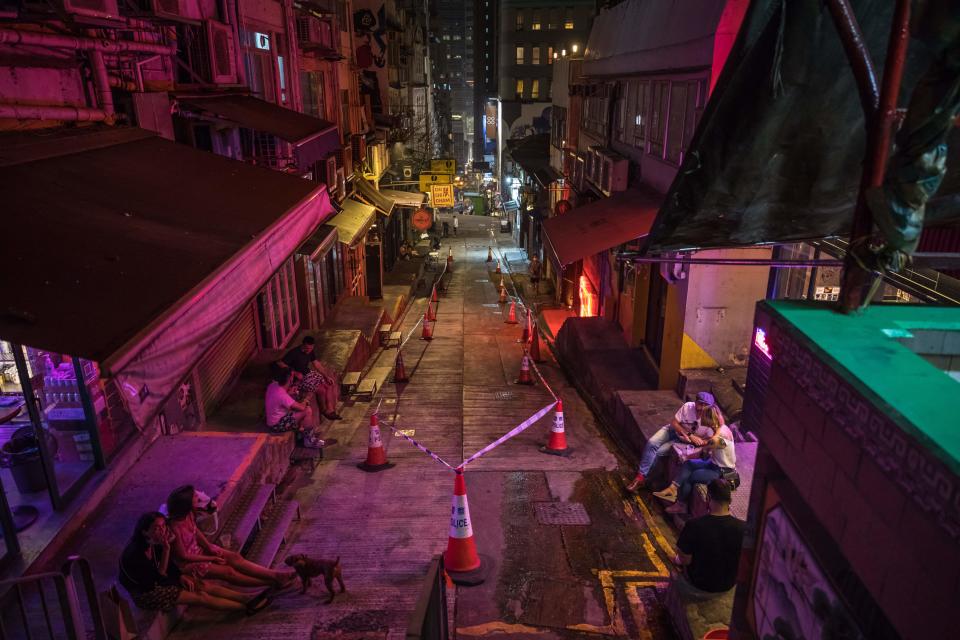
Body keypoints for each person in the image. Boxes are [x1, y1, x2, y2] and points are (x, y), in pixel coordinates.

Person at [119, 512, 271, 614]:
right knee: (200, 597)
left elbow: (169, 568)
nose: (162, 530)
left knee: (203, 585)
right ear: (144, 532)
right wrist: (167, 550)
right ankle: (244, 608)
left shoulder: (155, 543)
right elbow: (154, 580)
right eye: (156, 528)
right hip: (148, 593)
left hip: (162, 580)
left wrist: (179, 576)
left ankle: (246, 598)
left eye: (163, 526)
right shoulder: (135, 555)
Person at [167, 486, 297, 590]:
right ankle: (270, 582)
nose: (198, 497)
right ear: (186, 504)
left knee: (235, 557)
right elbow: (184, 556)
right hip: (189, 563)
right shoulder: (174, 527)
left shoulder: (189, 514)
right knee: (228, 572)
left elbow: (196, 532)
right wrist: (211, 558)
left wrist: (208, 547)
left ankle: (275, 576)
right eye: (195, 496)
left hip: (199, 550)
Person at [626, 391, 720, 491]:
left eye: (705, 405)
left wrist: (700, 442)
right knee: (652, 443)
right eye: (700, 404)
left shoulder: (710, 418)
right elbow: (674, 423)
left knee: (659, 452)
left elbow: (712, 438)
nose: (702, 408)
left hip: (683, 441)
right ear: (695, 402)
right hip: (672, 430)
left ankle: (643, 479)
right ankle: (640, 477)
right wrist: (689, 435)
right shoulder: (688, 407)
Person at [654, 406, 736, 514]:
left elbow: (702, 452)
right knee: (688, 464)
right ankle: (672, 489)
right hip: (713, 463)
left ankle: (681, 505)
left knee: (692, 476)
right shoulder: (722, 428)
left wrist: (686, 456)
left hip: (722, 471)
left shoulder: (719, 437)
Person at [671, 479, 745, 596]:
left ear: (708, 497)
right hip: (727, 584)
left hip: (700, 583)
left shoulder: (694, 525)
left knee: (677, 561)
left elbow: (685, 559)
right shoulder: (743, 528)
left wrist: (677, 559)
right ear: (730, 501)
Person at [279, 336, 342, 422]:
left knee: (329, 384)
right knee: (321, 390)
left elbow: (316, 363)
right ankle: (324, 411)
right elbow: (281, 363)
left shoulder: (310, 351)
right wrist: (294, 372)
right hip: (300, 378)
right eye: (307, 348)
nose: (309, 350)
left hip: (308, 373)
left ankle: (330, 410)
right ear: (303, 345)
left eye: (311, 348)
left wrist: (326, 376)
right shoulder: (294, 353)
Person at [265, 368, 324, 448]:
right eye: (293, 375)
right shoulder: (281, 395)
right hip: (277, 424)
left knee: (298, 409)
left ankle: (302, 431)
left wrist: (289, 392)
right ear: (289, 378)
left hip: (273, 420)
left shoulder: (273, 385)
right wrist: (307, 398)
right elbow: (301, 408)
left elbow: (282, 399)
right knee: (307, 411)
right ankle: (309, 440)